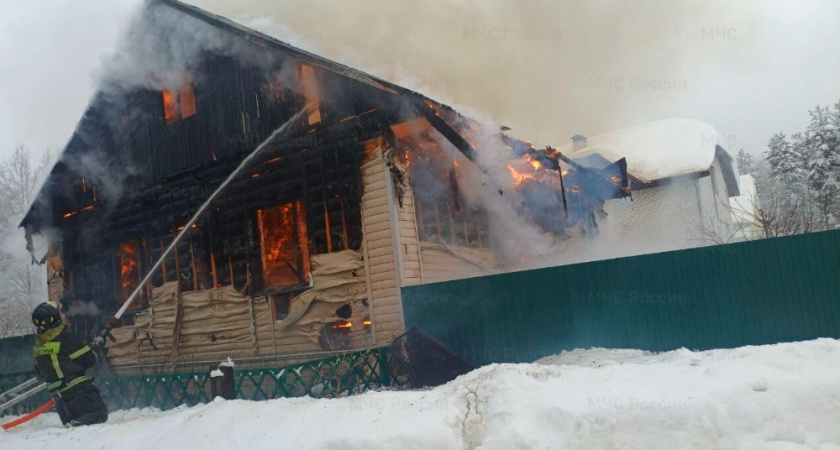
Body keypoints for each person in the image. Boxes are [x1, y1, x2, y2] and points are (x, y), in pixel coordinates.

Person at [31, 302, 108, 428]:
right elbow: (90, 360)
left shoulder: (37, 348)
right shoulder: (66, 338)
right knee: (99, 415)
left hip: (61, 402)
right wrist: (95, 349)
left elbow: (43, 371)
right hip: (79, 393)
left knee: (76, 428)